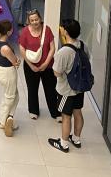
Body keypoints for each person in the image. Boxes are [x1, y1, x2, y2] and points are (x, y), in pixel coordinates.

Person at [49, 19, 87, 153]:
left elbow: (57, 73)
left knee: (66, 116)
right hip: (79, 88)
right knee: (78, 112)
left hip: (66, 90)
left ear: (65, 32)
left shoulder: (63, 52)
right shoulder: (82, 45)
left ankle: (64, 143)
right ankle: (76, 139)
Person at [19, 10, 59, 121]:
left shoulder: (47, 30)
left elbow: (52, 48)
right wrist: (31, 65)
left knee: (51, 89)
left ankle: (55, 112)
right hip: (30, 66)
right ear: (29, 21)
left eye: (36, 19)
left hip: (48, 66)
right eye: (32, 20)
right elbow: (22, 49)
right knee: (32, 88)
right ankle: (33, 110)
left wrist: (46, 63)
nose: (35, 22)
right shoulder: (25, 32)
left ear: (40, 19)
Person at [0, 20, 20, 137]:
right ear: (8, 32)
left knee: (14, 95)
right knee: (10, 96)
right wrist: (18, 62)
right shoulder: (6, 48)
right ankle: (4, 121)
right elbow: (15, 62)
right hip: (7, 73)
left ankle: (9, 117)